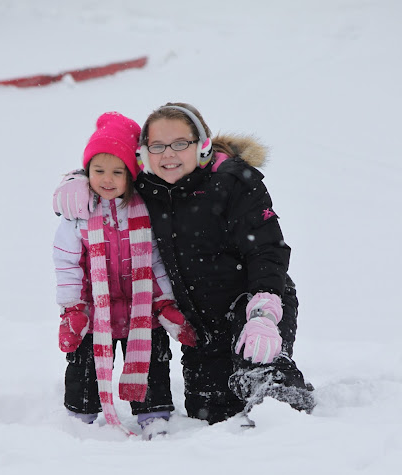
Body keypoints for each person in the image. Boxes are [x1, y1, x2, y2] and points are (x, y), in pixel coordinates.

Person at [53, 103, 314, 426]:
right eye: (158, 146)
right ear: (144, 153)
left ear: (201, 144)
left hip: (252, 303)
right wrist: (77, 180)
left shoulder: (234, 182)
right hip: (200, 323)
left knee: (259, 373)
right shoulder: (147, 188)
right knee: (211, 413)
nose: (168, 154)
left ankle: (287, 415)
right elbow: (110, 166)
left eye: (180, 143)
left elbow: (267, 249)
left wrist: (264, 312)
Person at [53, 112, 195, 438]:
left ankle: (153, 415)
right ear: (86, 172)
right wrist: (72, 308)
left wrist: (165, 302)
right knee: (84, 368)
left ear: (131, 175)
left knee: (152, 363)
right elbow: (66, 262)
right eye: (99, 171)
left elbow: (156, 260)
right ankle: (81, 417)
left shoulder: (144, 209)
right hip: (94, 311)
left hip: (140, 310)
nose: (107, 179)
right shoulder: (78, 214)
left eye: (117, 172)